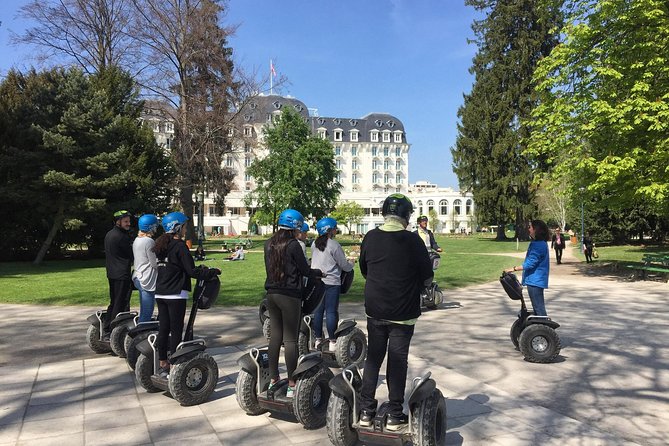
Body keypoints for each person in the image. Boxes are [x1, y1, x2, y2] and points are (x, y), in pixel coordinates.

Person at [358, 194, 433, 431]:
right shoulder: (413, 241)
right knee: (397, 360)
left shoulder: (370, 237)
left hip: (375, 308)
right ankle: (394, 414)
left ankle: (366, 411)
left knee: (373, 358)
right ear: (406, 216)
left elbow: (364, 268)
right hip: (402, 310)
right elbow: (427, 276)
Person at [264, 209, 324, 398]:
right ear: (296, 226)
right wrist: (318, 273)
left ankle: (273, 379)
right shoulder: (293, 245)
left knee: (275, 337)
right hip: (289, 296)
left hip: (271, 294)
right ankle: (292, 383)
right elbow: (305, 271)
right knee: (290, 340)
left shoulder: (269, 244)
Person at [153, 211, 219, 377]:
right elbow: (191, 271)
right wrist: (212, 272)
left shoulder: (161, 245)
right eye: (184, 226)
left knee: (163, 329)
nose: (185, 229)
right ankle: (175, 365)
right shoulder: (180, 246)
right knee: (176, 330)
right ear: (177, 227)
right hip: (176, 293)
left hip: (160, 292)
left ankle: (163, 363)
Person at [310, 217, 354, 351]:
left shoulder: (314, 244)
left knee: (318, 311)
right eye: (334, 228)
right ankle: (333, 341)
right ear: (329, 230)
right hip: (332, 282)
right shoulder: (334, 245)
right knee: (331, 312)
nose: (336, 230)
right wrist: (351, 263)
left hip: (317, 281)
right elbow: (344, 266)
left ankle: (318, 339)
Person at [505, 219, 551, 317]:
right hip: (535, 281)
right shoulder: (539, 243)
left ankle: (544, 330)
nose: (528, 229)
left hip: (535, 281)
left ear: (536, 230)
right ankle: (541, 329)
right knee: (538, 308)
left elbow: (530, 263)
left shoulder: (538, 245)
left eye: (530, 227)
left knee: (539, 309)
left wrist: (513, 268)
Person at [103, 210, 134, 336]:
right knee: (122, 302)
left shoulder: (110, 234)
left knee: (114, 300)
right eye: (125, 222)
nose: (128, 224)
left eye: (129, 221)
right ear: (118, 222)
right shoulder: (122, 237)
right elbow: (131, 255)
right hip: (122, 273)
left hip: (112, 272)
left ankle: (107, 326)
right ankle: (116, 330)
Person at [132, 214, 159, 323]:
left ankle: (140, 331)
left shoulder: (137, 239)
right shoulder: (149, 241)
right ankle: (140, 336)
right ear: (151, 227)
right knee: (147, 312)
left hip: (137, 276)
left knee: (144, 310)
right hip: (146, 279)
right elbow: (154, 263)